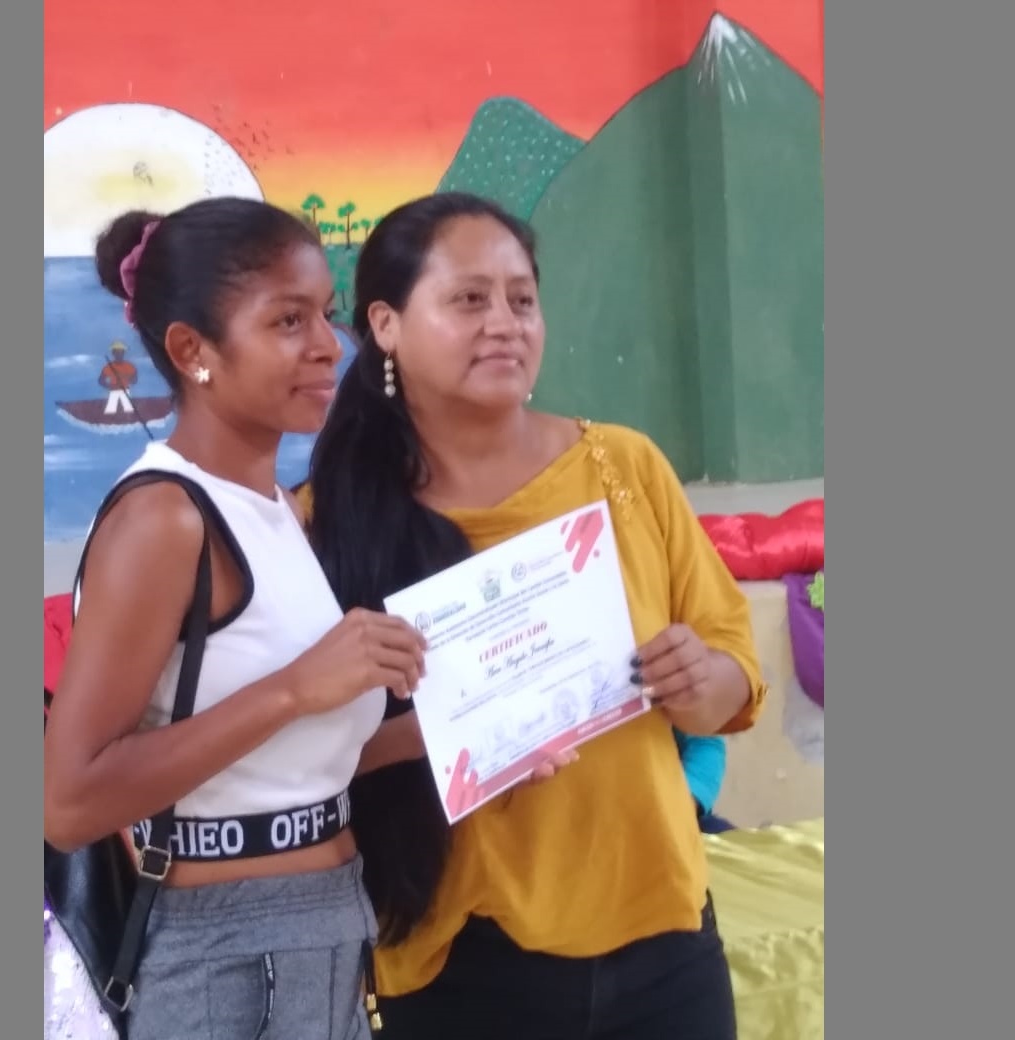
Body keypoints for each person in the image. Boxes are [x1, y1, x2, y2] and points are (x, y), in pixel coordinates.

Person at [303, 191, 768, 1040]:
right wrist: (457, 735)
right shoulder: (324, 523)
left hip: (664, 930)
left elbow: (732, 672)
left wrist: (704, 680)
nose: (505, 324)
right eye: (468, 299)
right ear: (385, 325)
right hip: (455, 958)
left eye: (522, 299)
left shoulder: (624, 467)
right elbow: (292, 761)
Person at [42, 197, 428, 1040]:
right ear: (193, 351)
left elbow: (283, 764)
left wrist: (470, 728)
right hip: (230, 966)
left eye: (325, 313)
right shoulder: (165, 518)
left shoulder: (275, 508)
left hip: (327, 936)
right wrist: (293, 689)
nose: (328, 345)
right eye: (288, 320)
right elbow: (69, 802)